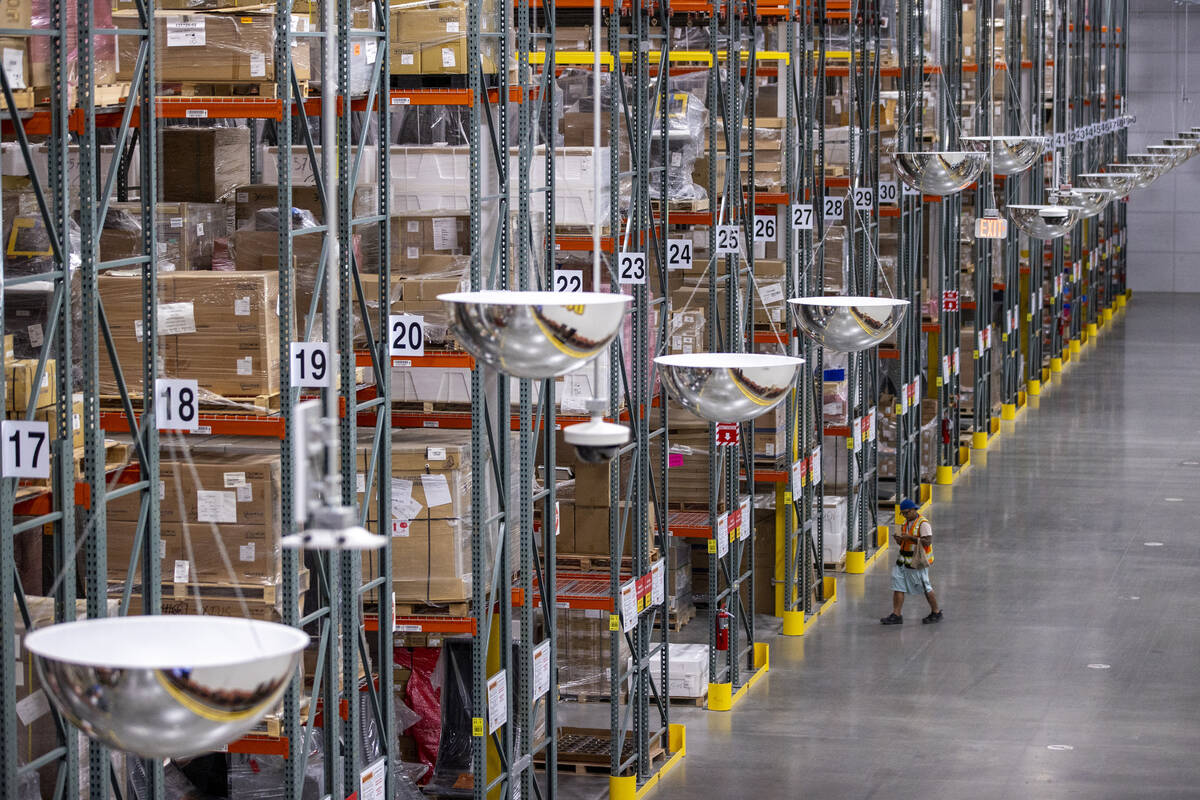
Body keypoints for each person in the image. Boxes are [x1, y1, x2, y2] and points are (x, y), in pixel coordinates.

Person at [880, 498, 943, 625]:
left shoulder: (923, 524)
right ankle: (896, 614)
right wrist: (899, 540)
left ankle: (936, 612)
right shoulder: (905, 523)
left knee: (926, 587)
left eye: (907, 512)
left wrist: (910, 538)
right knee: (898, 587)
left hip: (917, 563)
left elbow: (927, 541)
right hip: (902, 562)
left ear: (914, 510)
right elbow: (904, 543)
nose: (905, 515)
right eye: (903, 513)